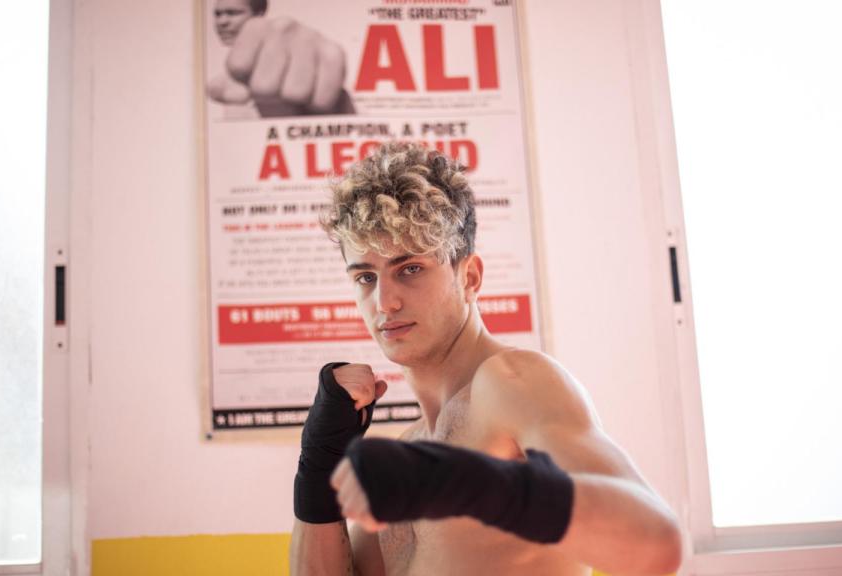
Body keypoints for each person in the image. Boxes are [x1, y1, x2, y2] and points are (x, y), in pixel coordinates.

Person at [290, 142, 683, 575]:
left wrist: (461, 482)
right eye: (366, 277)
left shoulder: (513, 381)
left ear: (470, 276)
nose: (384, 302)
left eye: (410, 269)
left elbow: (655, 543)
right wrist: (317, 466)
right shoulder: (410, 452)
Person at [207, 0, 354, 116]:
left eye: (233, 13)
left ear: (259, 14)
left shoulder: (293, 67)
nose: (222, 22)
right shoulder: (220, 82)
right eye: (217, 14)